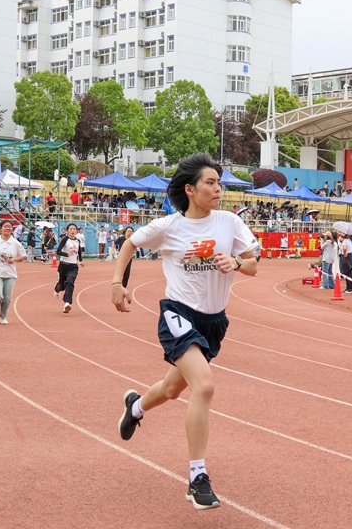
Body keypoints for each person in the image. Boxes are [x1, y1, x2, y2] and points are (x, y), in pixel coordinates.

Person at [112, 153, 257, 511]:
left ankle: (136, 407)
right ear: (190, 189)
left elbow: (253, 264)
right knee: (204, 385)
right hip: (178, 314)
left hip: (214, 321)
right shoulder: (169, 227)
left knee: (172, 389)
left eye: (220, 183)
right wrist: (117, 283)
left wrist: (237, 262)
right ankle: (197, 478)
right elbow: (130, 243)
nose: (218, 189)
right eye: (211, 182)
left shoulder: (229, 223)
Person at [0, 219, 27, 324]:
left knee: (7, 298)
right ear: (0, 229)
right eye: (5, 226)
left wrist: (14, 259)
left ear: (12, 229)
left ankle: (2, 317)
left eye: (9, 226)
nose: (7, 228)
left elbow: (23, 256)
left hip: (10, 273)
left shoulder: (15, 243)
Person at [54, 223, 84, 313]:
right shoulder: (65, 239)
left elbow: (79, 252)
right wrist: (66, 254)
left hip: (73, 266)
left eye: (74, 229)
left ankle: (67, 303)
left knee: (70, 283)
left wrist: (80, 261)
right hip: (63, 265)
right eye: (70, 229)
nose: (72, 231)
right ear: (68, 231)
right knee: (62, 286)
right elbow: (58, 251)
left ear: (76, 231)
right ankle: (57, 289)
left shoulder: (78, 241)